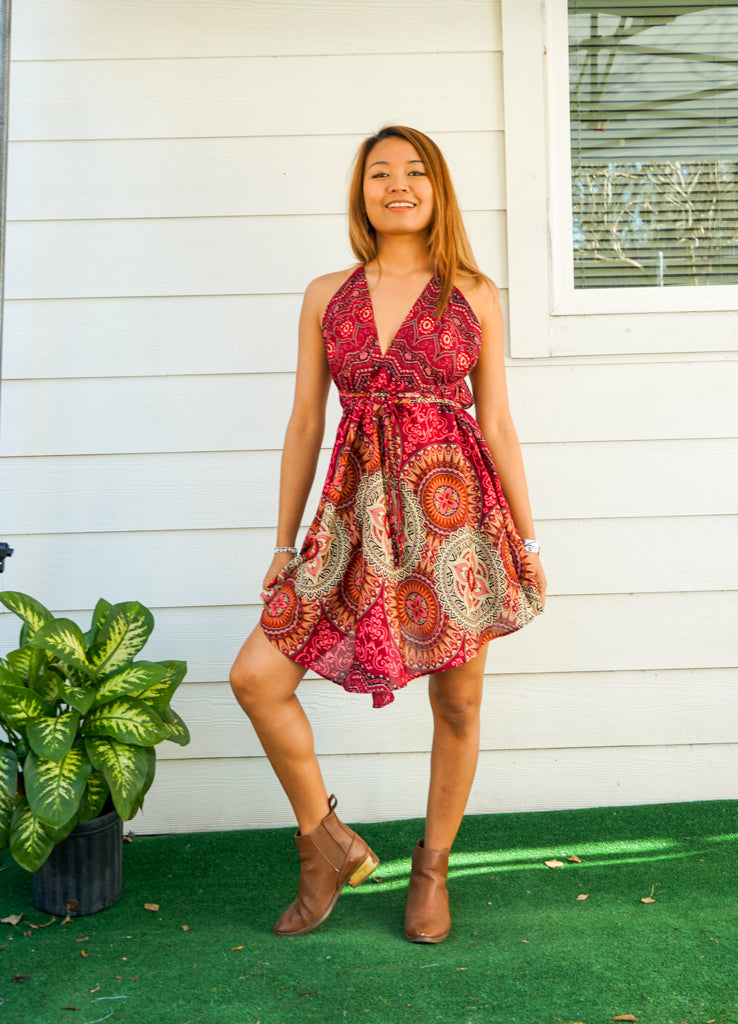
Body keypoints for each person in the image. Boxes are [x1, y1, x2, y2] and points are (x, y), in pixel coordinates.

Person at [230, 125, 546, 944]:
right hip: (352, 515)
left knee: (460, 702)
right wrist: (281, 542)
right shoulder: (325, 293)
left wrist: (531, 540)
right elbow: (305, 421)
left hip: (456, 516)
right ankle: (325, 842)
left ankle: (432, 868)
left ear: (437, 190)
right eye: (379, 173)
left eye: (414, 171)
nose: (397, 184)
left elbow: (500, 422)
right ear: (361, 192)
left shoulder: (474, 292)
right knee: (257, 679)